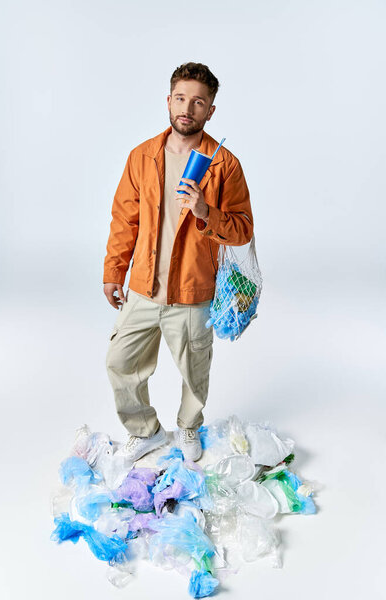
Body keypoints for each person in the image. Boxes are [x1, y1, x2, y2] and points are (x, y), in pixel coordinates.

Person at [103, 62, 254, 464]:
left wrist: (206, 212)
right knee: (120, 361)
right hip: (143, 287)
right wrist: (114, 271)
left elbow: (242, 230)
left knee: (194, 371)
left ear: (210, 112)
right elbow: (125, 220)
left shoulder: (225, 165)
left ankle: (189, 426)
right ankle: (146, 431)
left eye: (199, 102)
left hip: (192, 289)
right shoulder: (142, 156)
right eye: (181, 98)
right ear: (169, 101)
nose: (188, 108)